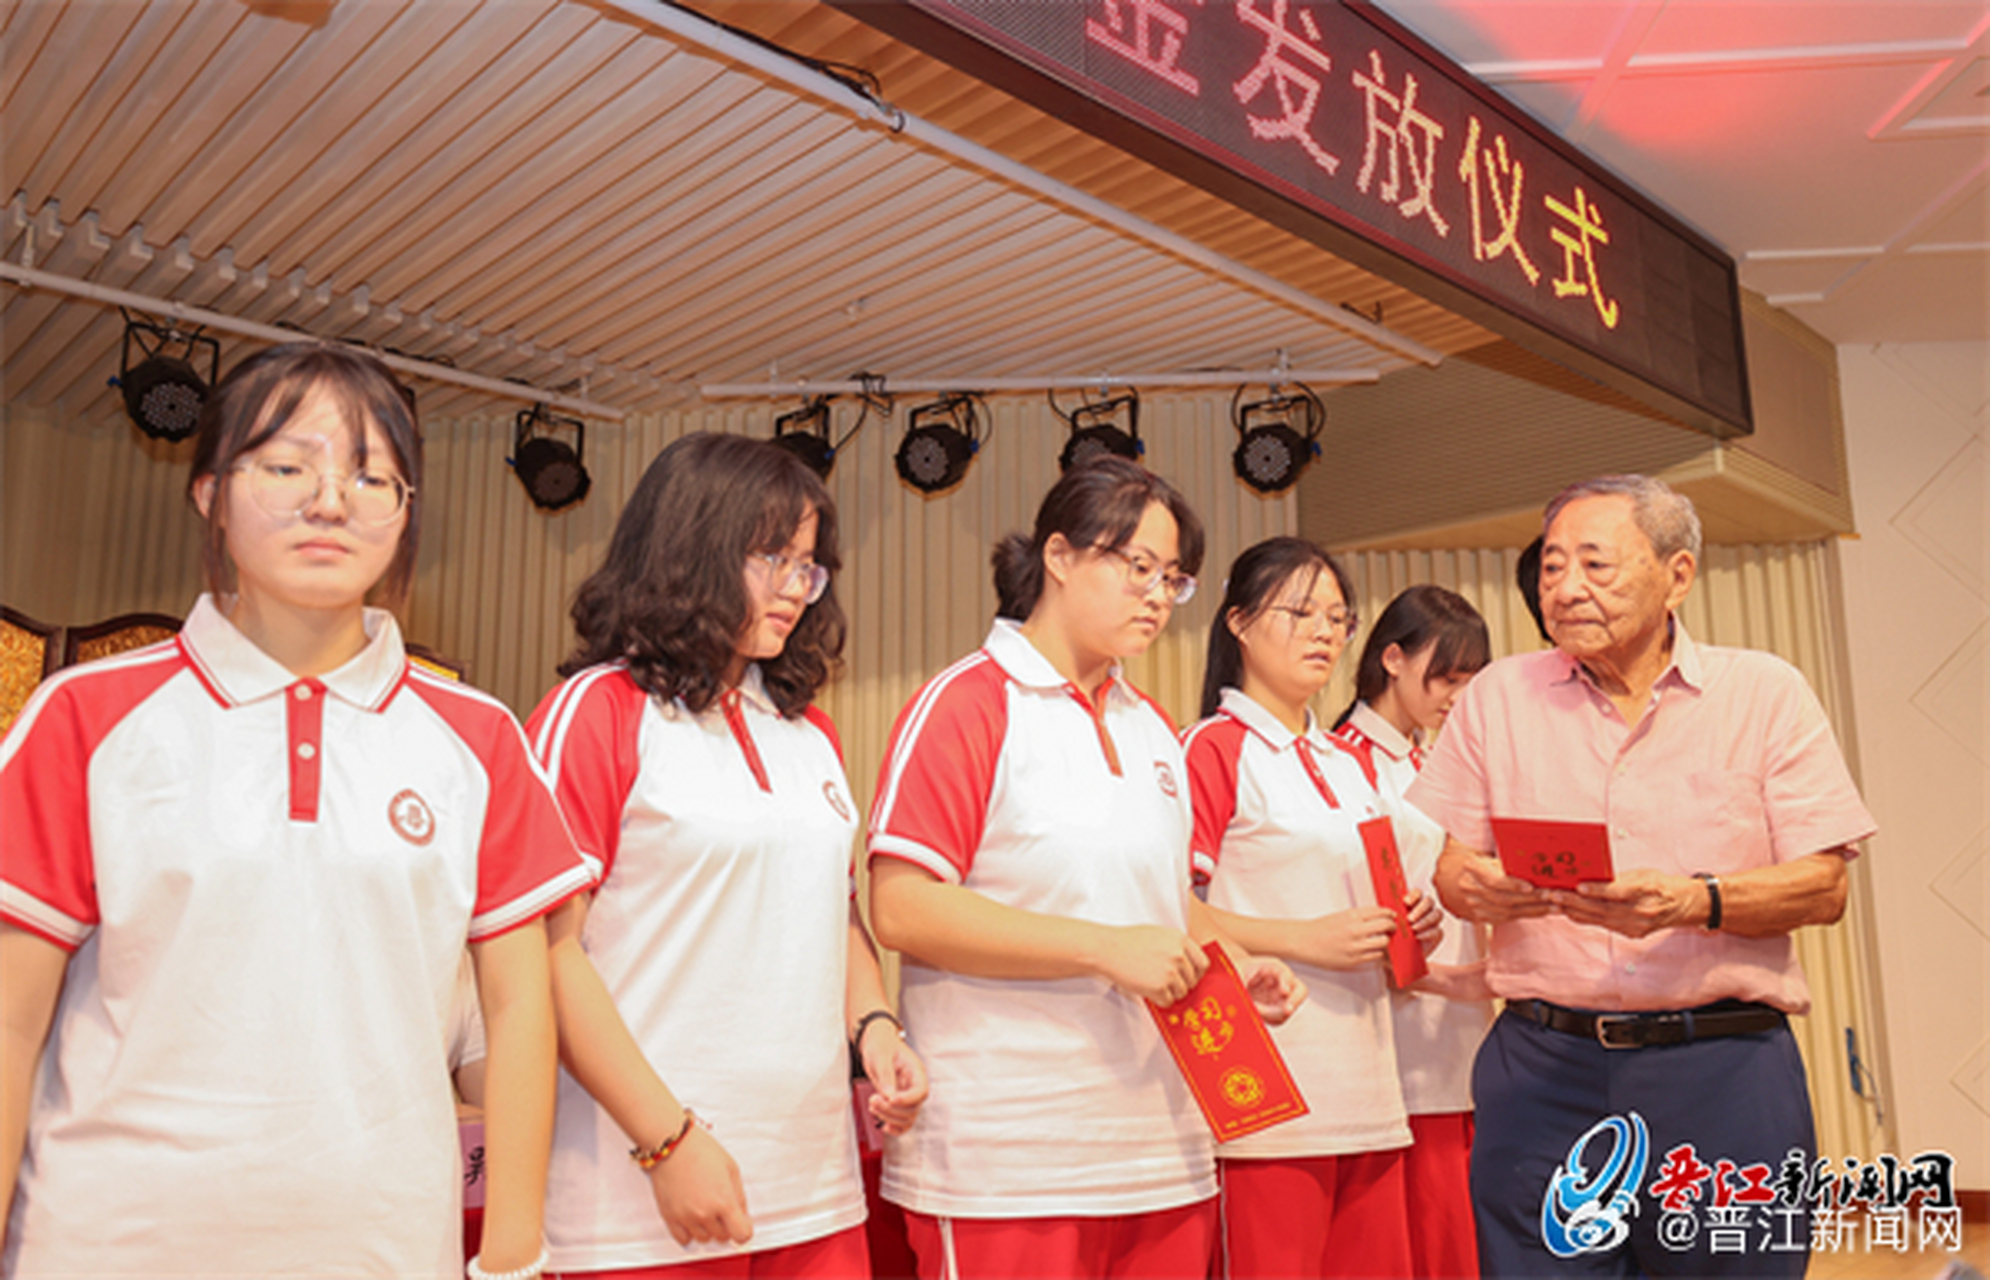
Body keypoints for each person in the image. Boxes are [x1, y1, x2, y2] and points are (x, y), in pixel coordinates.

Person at [0, 342, 589, 1280]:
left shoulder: (476, 738)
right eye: (285, 466)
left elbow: (520, 1007)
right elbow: (10, 1020)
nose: (329, 499)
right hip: (107, 1242)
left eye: (370, 476)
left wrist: (514, 1248)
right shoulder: (86, 717)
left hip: (386, 1245)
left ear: (405, 513)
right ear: (210, 494)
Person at [1410, 474, 1875, 1277]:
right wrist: (1472, 885)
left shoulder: (1763, 693)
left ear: (1678, 575)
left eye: (1596, 564)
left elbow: (1823, 887)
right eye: (1553, 567)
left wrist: (1696, 901)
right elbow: (1451, 868)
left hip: (1722, 1069)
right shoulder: (1498, 698)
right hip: (1543, 1068)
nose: (1566, 589)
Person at [865, 457, 1304, 1280]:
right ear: (1059, 557)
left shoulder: (1151, 725)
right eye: (1137, 566)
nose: (1155, 596)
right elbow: (904, 908)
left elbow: (1166, 905)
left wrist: (1233, 964)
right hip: (1009, 1162)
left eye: (1172, 579)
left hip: (1159, 1148)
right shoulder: (968, 702)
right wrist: (1103, 949)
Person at [526, 431, 927, 1278]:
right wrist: (667, 1143)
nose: (794, 589)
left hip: (812, 1184)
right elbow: (543, 958)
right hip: (640, 1197)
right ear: (691, 548)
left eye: (808, 566)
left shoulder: (807, 731)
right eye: (770, 558)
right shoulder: (596, 712)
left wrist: (876, 1027)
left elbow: (833, 913)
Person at [1182, 537, 1444, 1279]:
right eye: (1301, 612)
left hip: (1369, 1086)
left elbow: (1377, 903)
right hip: (1265, 1100)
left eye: (1338, 617)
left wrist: (1413, 925)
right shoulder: (1211, 749)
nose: (1325, 632)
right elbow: (1165, 909)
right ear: (1237, 621)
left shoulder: (1345, 760)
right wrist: (1305, 940)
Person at [1332, 585, 1493, 1279]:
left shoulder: (1433, 765)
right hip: (1399, 1044)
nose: (1458, 696)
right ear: (1391, 659)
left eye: (1471, 682)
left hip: (1462, 1037)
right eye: (1447, 677)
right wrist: (1447, 981)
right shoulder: (1341, 765)